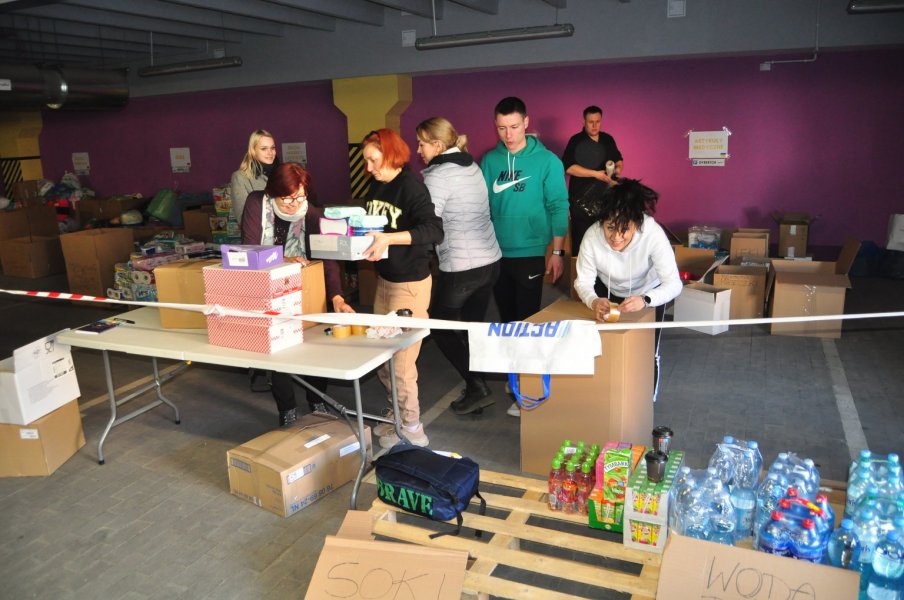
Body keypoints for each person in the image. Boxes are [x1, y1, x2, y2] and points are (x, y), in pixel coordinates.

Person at [241, 162, 355, 427]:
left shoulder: (310, 211)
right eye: (287, 199)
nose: (294, 204)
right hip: (268, 285)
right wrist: (283, 258)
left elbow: (327, 257)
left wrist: (337, 297)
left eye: (299, 197)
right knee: (278, 349)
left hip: (305, 285)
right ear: (273, 193)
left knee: (313, 346)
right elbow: (249, 249)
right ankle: (287, 409)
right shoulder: (257, 203)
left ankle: (317, 399)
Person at [480, 96, 569, 417]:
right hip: (496, 253)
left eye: (514, 126)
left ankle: (526, 388)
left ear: (526, 123)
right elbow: (483, 207)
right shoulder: (490, 161)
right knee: (506, 322)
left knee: (526, 321)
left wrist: (556, 251)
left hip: (531, 252)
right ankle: (515, 376)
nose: (508, 134)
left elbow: (559, 206)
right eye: (502, 128)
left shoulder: (547, 161)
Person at [360, 128, 444, 447]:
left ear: (391, 155)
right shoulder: (376, 184)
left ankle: (412, 428)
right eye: (366, 161)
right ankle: (397, 415)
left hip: (410, 285)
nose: (369, 168)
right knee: (382, 357)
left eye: (373, 160)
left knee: (401, 363)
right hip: (385, 281)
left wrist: (389, 239)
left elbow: (434, 230)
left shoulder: (411, 187)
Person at [415, 117, 502, 416]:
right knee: (470, 329)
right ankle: (476, 387)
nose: (418, 150)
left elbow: (430, 223)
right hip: (489, 260)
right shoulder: (471, 165)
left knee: (439, 326)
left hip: (464, 266)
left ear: (438, 145)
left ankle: (477, 387)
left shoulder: (439, 175)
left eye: (422, 144)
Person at [573, 178, 681, 404]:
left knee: (646, 351)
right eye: (610, 228)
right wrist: (593, 301)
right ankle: (610, 398)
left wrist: (645, 299)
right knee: (607, 346)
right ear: (602, 222)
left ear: (636, 224)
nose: (616, 237)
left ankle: (646, 404)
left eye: (625, 230)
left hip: (650, 293)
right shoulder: (592, 236)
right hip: (609, 290)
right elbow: (583, 282)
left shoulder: (652, 233)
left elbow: (674, 284)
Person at [562, 106, 624, 255]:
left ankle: (603, 270)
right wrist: (595, 174)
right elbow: (568, 167)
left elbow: (618, 159)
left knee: (605, 240)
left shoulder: (607, 139)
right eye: (591, 122)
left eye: (598, 121)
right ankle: (580, 269)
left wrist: (616, 171)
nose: (595, 125)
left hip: (605, 199)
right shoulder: (576, 140)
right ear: (584, 122)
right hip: (580, 201)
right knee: (582, 241)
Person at [230, 129, 279, 223]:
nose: (270, 152)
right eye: (264, 149)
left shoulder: (282, 174)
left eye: (272, 148)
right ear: (253, 150)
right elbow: (243, 218)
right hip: (258, 231)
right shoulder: (240, 177)